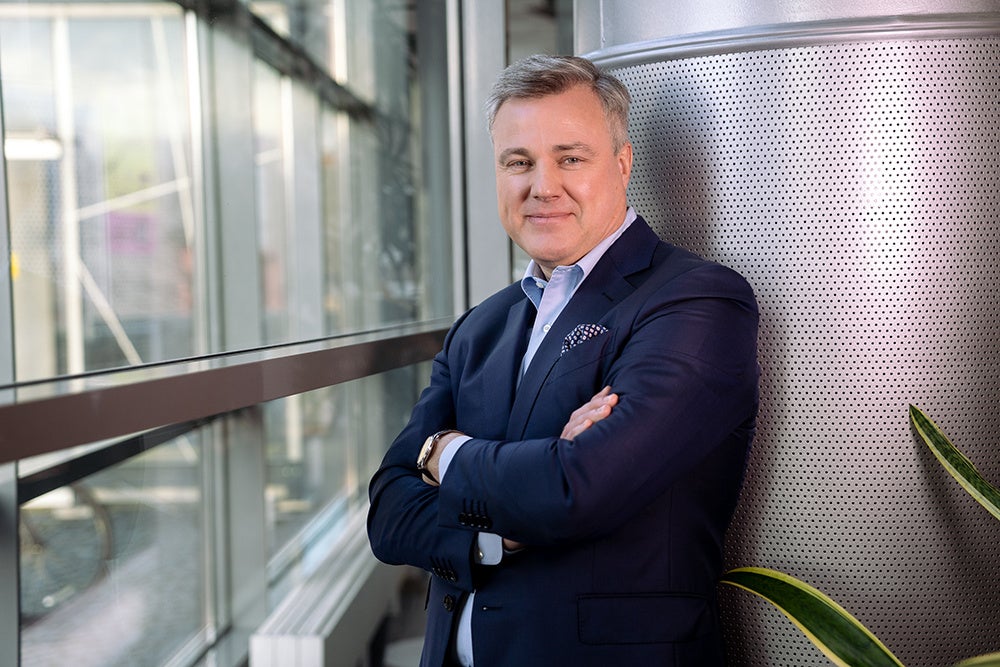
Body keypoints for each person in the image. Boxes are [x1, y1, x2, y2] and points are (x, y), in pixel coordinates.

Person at [367, 54, 759, 666]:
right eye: (518, 162)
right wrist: (499, 535)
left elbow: (578, 488)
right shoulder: (480, 327)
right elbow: (389, 514)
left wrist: (441, 453)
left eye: (570, 158)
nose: (542, 186)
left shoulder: (696, 301)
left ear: (622, 164)